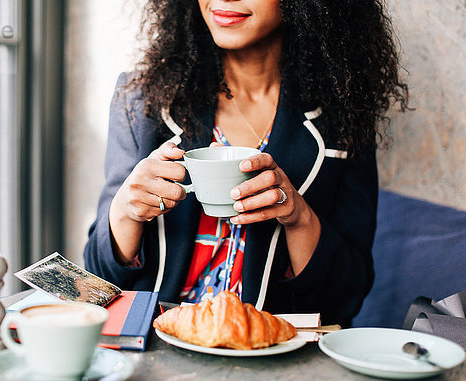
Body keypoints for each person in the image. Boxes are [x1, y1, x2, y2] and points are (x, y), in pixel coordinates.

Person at [84, 0, 408, 325]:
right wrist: (125, 212)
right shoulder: (141, 100)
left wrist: (299, 218)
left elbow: (345, 299)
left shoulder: (346, 113)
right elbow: (96, 282)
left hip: (275, 359)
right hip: (158, 349)